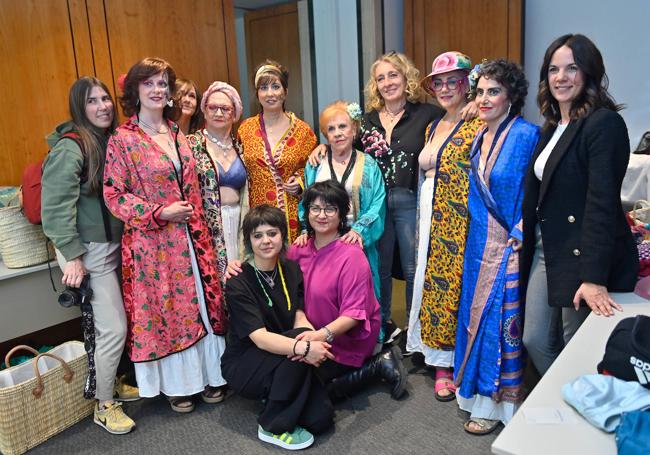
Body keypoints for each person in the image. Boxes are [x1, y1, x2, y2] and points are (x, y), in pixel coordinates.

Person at [103, 57, 228, 413]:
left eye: (162, 84)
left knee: (201, 307)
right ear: (135, 91)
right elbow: (114, 194)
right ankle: (177, 385)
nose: (158, 90)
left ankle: (209, 376)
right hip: (152, 246)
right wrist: (158, 212)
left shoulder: (178, 134)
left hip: (192, 239)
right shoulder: (124, 139)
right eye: (149, 84)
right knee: (167, 311)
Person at [521, 34, 639, 376]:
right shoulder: (553, 126)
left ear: (589, 73)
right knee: (535, 338)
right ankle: (564, 400)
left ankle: (572, 411)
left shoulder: (604, 123)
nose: (561, 77)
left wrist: (593, 277)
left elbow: (601, 204)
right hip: (548, 246)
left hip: (584, 250)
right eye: (554, 69)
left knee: (576, 344)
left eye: (572, 68)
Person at [41, 76, 138, 434]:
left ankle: (110, 382)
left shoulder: (109, 139)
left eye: (105, 99)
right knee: (113, 328)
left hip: (111, 248)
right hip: (87, 251)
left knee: (111, 326)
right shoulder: (72, 147)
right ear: (80, 109)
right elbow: (55, 209)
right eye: (93, 102)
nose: (103, 106)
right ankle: (103, 404)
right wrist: (73, 256)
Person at [453, 59, 539, 434]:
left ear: (511, 96)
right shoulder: (478, 136)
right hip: (477, 243)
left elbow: (533, 195)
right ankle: (476, 394)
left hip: (509, 244)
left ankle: (497, 402)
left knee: (498, 322)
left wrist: (520, 233)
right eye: (481, 92)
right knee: (474, 314)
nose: (485, 99)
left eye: (494, 91)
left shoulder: (526, 135)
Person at [220, 205, 335, 451]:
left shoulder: (291, 269)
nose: (265, 241)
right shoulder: (238, 281)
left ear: (282, 235)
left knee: (320, 420)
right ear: (249, 241)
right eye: (257, 235)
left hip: (283, 351)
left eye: (272, 233)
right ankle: (272, 424)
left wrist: (311, 339)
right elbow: (260, 338)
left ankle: (280, 393)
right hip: (246, 363)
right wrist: (304, 348)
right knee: (300, 346)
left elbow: (299, 316)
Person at [406, 51, 483, 402]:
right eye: (440, 82)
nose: (447, 87)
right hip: (429, 209)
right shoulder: (433, 125)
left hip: (457, 215)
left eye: (455, 80)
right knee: (428, 277)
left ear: (468, 83)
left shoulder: (479, 120)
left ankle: (448, 363)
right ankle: (430, 348)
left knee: (451, 282)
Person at [289, 181, 406, 399]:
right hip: (310, 331)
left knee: (311, 394)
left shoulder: (351, 255)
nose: (321, 215)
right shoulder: (299, 248)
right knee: (286, 379)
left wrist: (319, 336)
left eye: (330, 209)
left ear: (342, 213)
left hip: (345, 339)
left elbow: (353, 315)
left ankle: (377, 364)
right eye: (315, 208)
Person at [296, 100, 385, 300]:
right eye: (331, 129)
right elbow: (306, 202)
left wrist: (359, 231)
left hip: (355, 242)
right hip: (322, 242)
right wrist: (305, 229)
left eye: (343, 126)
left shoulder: (369, 165)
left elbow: (377, 204)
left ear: (354, 130)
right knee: (325, 294)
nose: (338, 133)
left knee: (360, 295)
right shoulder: (315, 164)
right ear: (326, 135)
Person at [237, 59, 317, 242]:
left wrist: (299, 181)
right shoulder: (245, 129)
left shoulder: (304, 131)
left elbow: (313, 169)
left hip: (292, 213)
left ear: (286, 92)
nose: (270, 93)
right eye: (263, 88)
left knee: (292, 266)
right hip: (257, 212)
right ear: (257, 94)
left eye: (276, 86)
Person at [187, 81, 248, 283]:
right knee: (213, 280)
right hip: (207, 226)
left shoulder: (241, 146)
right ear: (204, 110)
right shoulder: (190, 145)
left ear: (235, 113)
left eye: (225, 108)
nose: (219, 113)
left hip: (239, 219)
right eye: (213, 107)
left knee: (238, 278)